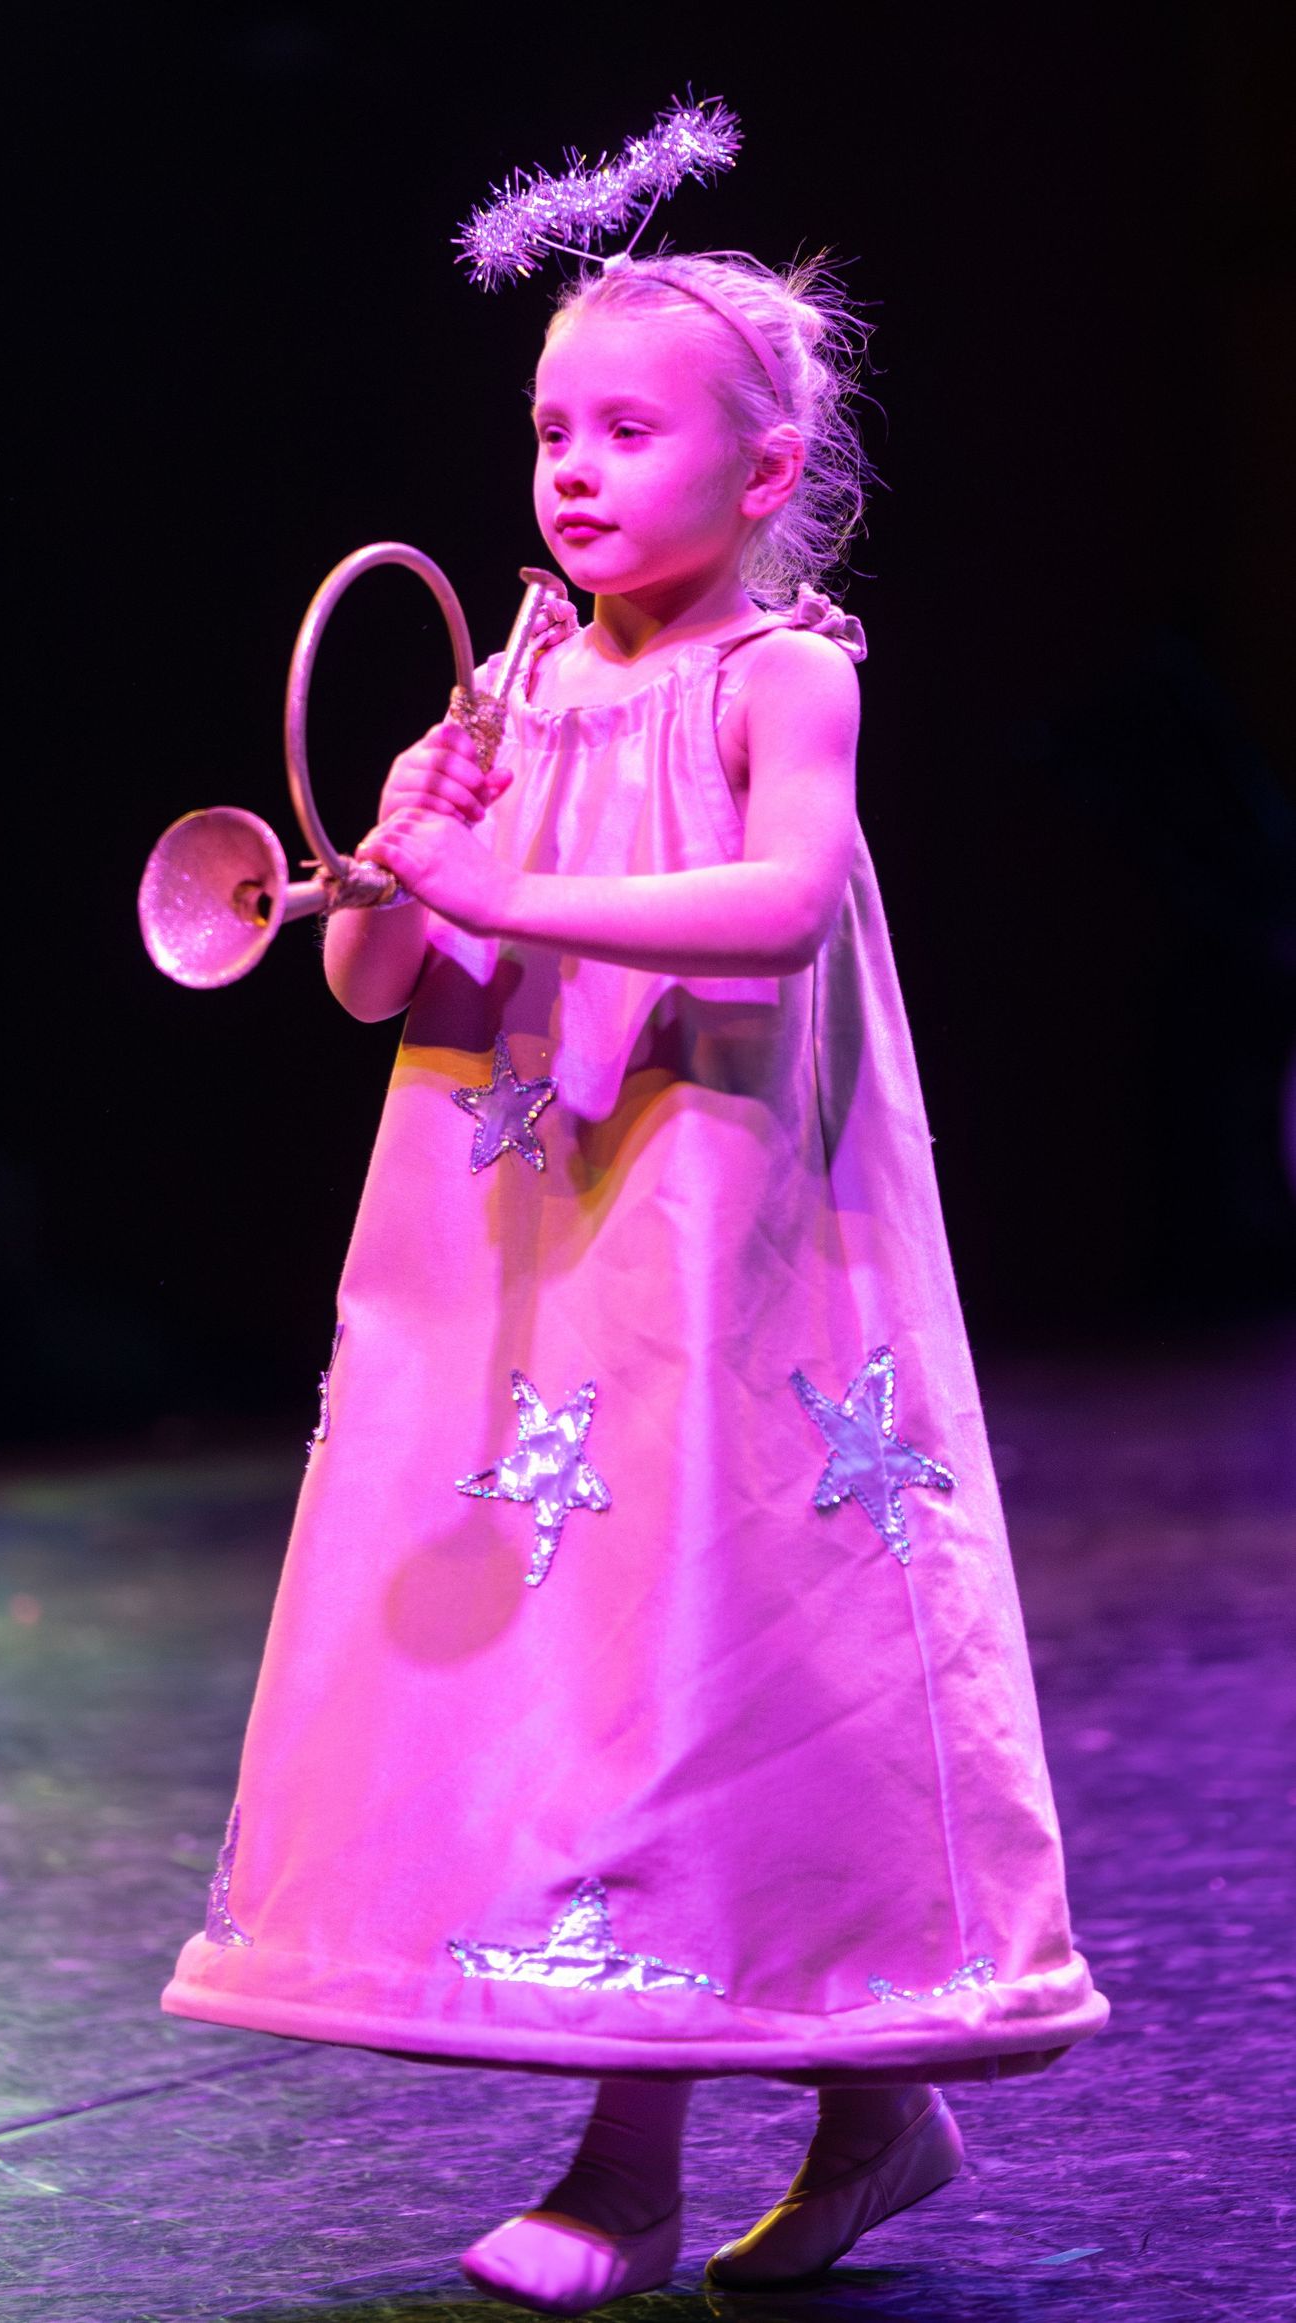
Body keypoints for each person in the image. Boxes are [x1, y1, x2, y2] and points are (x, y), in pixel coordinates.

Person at [162, 250, 1106, 2315]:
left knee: (699, 1660)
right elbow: (371, 980)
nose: (573, 470)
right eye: (549, 431)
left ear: (765, 469)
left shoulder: (787, 672)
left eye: (626, 429)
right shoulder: (508, 684)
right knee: (575, 1672)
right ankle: (869, 2120)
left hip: (720, 1234)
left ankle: (634, 2164)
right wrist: (412, 864)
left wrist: (516, 885)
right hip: (525, 1255)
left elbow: (775, 905)